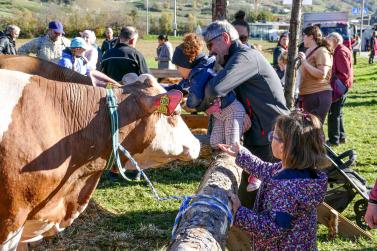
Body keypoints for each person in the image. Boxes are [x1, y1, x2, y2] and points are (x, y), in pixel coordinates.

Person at [200, 20, 289, 208]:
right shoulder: (238, 58)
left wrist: (205, 100)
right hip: (262, 132)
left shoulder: (245, 57)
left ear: (225, 38)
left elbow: (215, 88)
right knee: (249, 193)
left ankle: (247, 232)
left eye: (211, 45)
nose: (210, 52)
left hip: (270, 134)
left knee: (254, 197)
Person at [219, 110, 328, 250]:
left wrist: (239, 212)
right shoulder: (304, 174)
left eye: (273, 136)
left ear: (283, 146)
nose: (270, 138)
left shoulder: (285, 188)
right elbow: (266, 170)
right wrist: (241, 154)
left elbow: (273, 228)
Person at [297, 25, 333, 124]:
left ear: (311, 37)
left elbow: (322, 74)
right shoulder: (309, 51)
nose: (302, 38)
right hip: (308, 95)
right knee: (308, 130)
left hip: (318, 94)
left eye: (304, 35)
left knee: (314, 130)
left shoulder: (322, 51)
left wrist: (304, 62)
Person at [325, 32, 353, 146]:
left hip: (339, 87)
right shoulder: (341, 49)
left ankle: (334, 140)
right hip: (342, 86)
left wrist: (336, 85)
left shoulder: (340, 51)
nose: (327, 42)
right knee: (338, 113)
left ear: (335, 40)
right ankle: (341, 137)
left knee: (333, 113)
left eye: (328, 40)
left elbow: (344, 73)